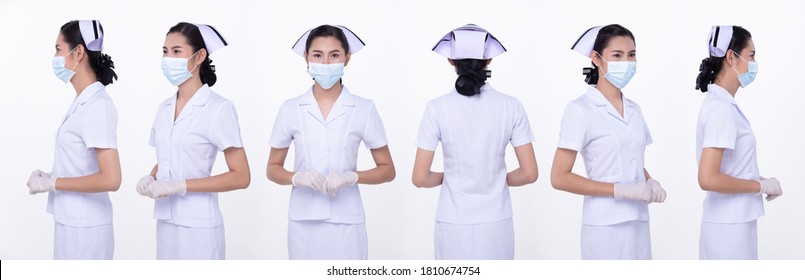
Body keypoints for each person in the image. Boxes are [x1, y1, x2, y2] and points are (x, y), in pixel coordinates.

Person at [267, 24, 395, 260]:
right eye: (317, 55)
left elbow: (388, 170)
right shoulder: (290, 109)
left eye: (334, 55)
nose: (325, 63)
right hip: (302, 222)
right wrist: (296, 177)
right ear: (306, 58)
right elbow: (272, 169)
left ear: (347, 58)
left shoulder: (364, 109)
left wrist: (352, 176)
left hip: (347, 221)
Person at [412, 24, 538, 260]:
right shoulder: (511, 106)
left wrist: (451, 177)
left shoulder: (437, 108)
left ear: (451, 60)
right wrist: (493, 177)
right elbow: (530, 174)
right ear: (489, 59)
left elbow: (419, 178)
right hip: (496, 224)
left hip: (453, 222)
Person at [550, 24, 666, 260]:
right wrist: (620, 190)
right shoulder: (580, 110)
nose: (627, 61)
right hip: (605, 227)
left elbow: (629, 157)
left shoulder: (635, 109)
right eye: (617, 55)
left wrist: (649, 180)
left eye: (631, 55)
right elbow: (559, 177)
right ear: (596, 58)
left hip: (639, 222)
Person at [136, 22, 250, 260]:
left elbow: (241, 176)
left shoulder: (219, 108)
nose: (168, 59)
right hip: (165, 223)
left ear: (199, 56)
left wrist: (181, 185)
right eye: (165, 51)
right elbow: (168, 158)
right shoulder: (164, 108)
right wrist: (151, 177)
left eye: (177, 51)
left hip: (200, 228)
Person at [26, 20, 121, 259]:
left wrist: (54, 183)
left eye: (58, 49)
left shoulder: (98, 106)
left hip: (87, 230)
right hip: (71, 222)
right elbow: (80, 164)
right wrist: (51, 176)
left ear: (78, 52)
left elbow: (112, 178)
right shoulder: (82, 102)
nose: (55, 56)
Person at [694, 25, 782, 260]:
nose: (754, 63)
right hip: (728, 230)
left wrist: (757, 179)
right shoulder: (719, 109)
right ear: (731, 57)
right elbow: (708, 178)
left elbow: (730, 167)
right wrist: (760, 186)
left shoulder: (724, 105)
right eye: (751, 55)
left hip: (735, 223)